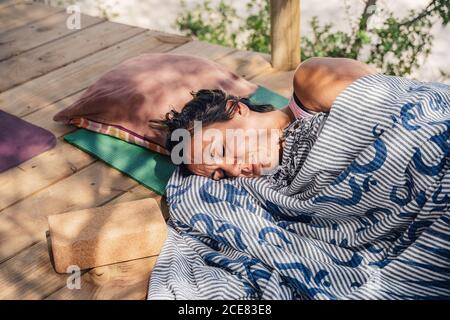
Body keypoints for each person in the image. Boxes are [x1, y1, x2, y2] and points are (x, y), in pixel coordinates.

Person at [161, 57, 376, 180]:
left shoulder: (311, 82)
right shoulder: (273, 187)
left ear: (235, 109)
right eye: (222, 175)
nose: (235, 170)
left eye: (222, 150)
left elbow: (397, 106)